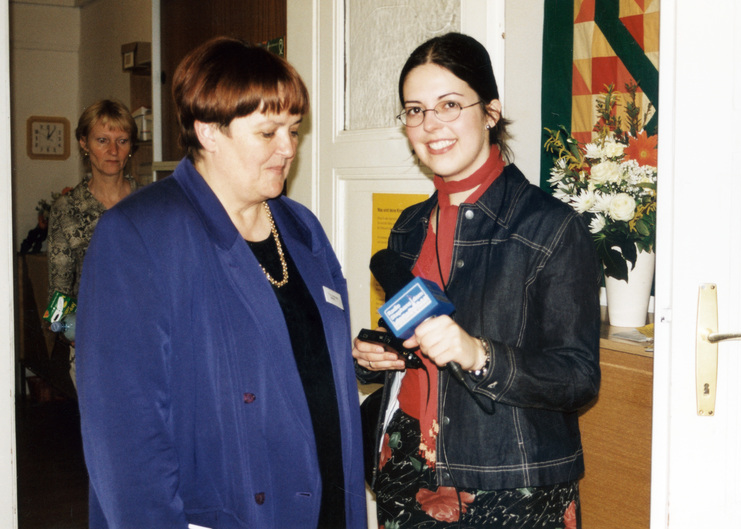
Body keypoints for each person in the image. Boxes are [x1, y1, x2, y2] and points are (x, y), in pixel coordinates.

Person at [77, 37, 367, 529]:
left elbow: (306, 364)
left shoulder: (302, 229)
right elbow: (124, 436)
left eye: (294, 130)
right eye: (268, 132)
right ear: (209, 131)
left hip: (328, 508)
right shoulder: (139, 234)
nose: (289, 148)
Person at [352, 33, 601, 528]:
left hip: (510, 483)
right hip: (406, 468)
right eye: (415, 110)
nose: (431, 125)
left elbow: (578, 379)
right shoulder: (408, 227)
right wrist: (376, 358)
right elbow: (417, 341)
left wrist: (479, 354)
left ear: (490, 111)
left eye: (449, 104)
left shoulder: (550, 227)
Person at [47, 99, 139, 388]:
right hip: (93, 351)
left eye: (122, 141)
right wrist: (66, 330)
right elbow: (58, 293)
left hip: (149, 344)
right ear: (84, 143)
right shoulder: (66, 209)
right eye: (102, 140)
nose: (113, 150)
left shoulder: (150, 203)